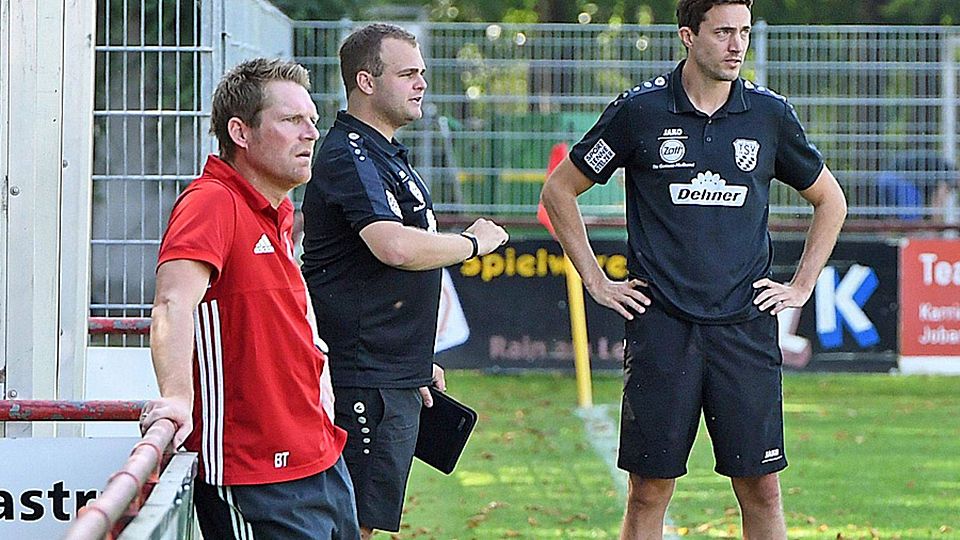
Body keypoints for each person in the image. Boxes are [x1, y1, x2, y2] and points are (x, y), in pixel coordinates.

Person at [541, 1, 847, 538]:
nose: (737, 45)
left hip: (744, 331)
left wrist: (801, 285)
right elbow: (559, 190)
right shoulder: (641, 112)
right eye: (723, 32)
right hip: (662, 327)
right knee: (649, 491)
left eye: (744, 33)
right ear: (688, 35)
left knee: (762, 489)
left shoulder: (768, 115)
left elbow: (831, 201)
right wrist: (596, 280)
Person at [300, 23, 508, 539]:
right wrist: (473, 244)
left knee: (361, 523)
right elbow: (392, 246)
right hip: (360, 374)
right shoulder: (351, 152)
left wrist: (414, 360)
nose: (421, 84)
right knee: (347, 526)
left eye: (423, 73)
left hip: (390, 370)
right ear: (366, 82)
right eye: (408, 73)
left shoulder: (384, 152)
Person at [139, 58, 360, 539]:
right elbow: (173, 304)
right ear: (240, 132)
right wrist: (177, 397)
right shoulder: (212, 201)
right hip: (255, 475)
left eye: (312, 122)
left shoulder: (275, 213)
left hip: (319, 458)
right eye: (290, 120)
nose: (310, 134)